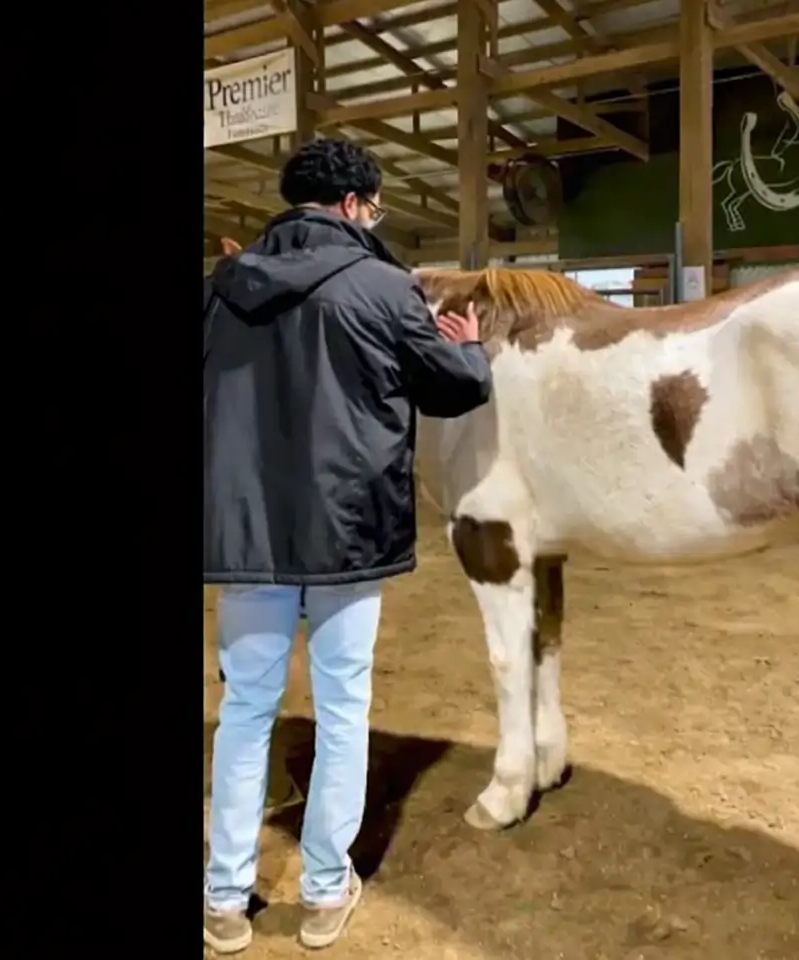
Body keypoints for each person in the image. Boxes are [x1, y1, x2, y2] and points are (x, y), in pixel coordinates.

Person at [200, 136, 493, 953]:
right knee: (342, 708)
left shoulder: (221, 289)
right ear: (358, 204)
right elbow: (457, 387)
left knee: (245, 712)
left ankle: (223, 900)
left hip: (244, 534)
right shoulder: (384, 287)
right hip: (347, 529)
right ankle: (325, 892)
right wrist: (465, 342)